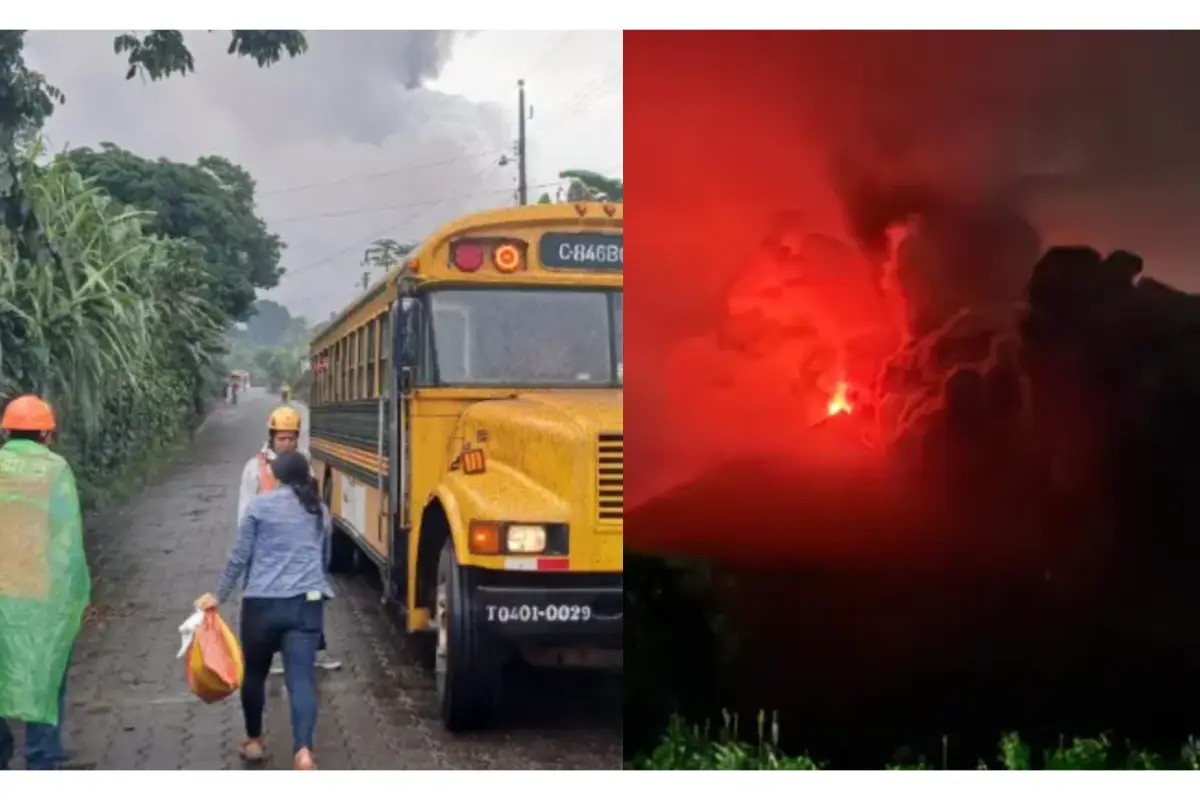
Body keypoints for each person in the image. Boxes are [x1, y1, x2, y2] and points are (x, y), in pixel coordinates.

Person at [196, 450, 333, 770]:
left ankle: (255, 741)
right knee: (301, 679)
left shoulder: (259, 506)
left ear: (278, 476)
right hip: (306, 603)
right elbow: (325, 558)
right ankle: (303, 752)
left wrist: (219, 595)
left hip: (261, 605)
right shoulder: (320, 509)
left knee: (255, 674)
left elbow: (239, 556)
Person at [0, 395, 91, 771]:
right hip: (39, 593)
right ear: (46, 435)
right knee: (46, 675)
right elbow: (66, 539)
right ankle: (41, 759)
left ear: (6, 432)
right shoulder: (56, 471)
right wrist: (75, 594)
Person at [237, 406, 341, 673]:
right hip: (267, 550)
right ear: (272, 437)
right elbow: (245, 511)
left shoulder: (304, 464)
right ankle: (271, 657)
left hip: (300, 550)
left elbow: (314, 504)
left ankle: (317, 651)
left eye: (291, 438)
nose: (286, 443)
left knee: (312, 597)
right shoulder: (255, 468)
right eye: (281, 438)